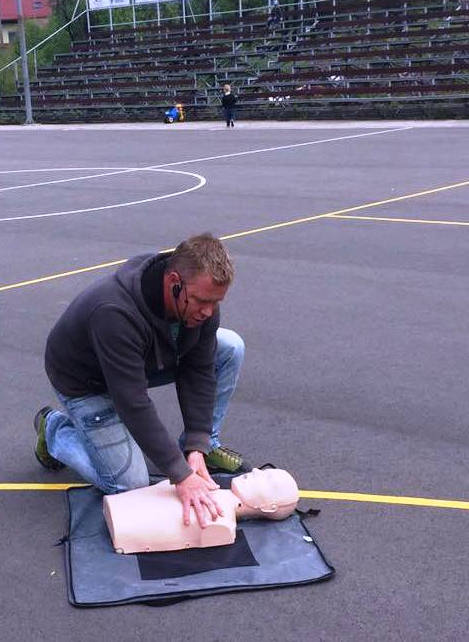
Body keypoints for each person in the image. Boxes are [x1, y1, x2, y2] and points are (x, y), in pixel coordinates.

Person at [35, 233, 250, 523]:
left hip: (142, 360)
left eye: (216, 302)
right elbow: (132, 402)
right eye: (202, 301)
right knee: (130, 485)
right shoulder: (114, 312)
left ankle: (205, 448)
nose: (209, 311)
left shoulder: (201, 299)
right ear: (174, 282)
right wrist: (180, 475)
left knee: (229, 347)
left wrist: (195, 446)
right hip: (86, 381)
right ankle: (54, 431)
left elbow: (198, 369)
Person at [103, 468, 299, 551]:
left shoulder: (221, 525)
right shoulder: (206, 486)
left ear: (268, 507)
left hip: (122, 527)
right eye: (264, 470)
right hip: (118, 508)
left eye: (267, 479)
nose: (255, 470)